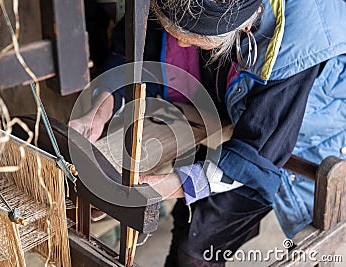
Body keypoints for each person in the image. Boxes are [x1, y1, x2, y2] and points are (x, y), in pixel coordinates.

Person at [69, 0, 346, 265]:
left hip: (296, 134)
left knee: (199, 246)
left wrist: (166, 187)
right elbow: (141, 50)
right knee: (185, 221)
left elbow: (253, 156)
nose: (179, 42)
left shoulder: (296, 45)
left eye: (189, 36)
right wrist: (103, 104)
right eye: (172, 30)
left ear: (245, 26)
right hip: (223, 103)